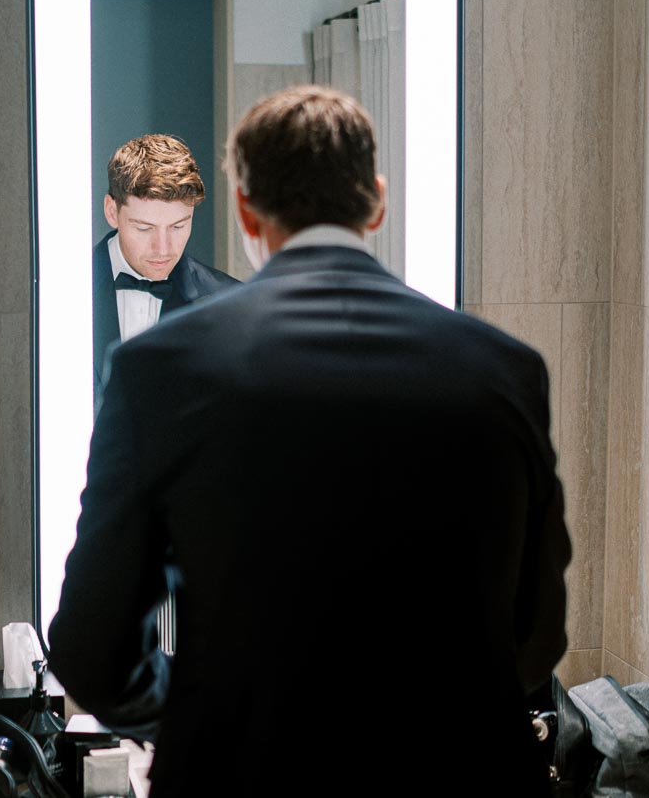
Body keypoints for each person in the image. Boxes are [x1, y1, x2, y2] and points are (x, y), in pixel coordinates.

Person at [49, 86, 571, 796]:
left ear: (242, 212)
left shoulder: (158, 371)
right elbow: (538, 634)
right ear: (378, 201)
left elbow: (90, 648)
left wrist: (206, 706)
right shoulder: (506, 368)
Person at [92, 134, 238, 391]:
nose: (164, 248)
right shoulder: (58, 293)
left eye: (178, 226)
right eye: (145, 228)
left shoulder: (231, 302)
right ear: (112, 211)